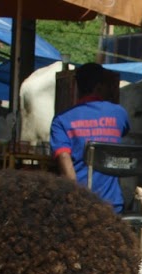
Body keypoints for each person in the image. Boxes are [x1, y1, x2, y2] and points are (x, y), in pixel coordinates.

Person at [50, 63, 131, 214]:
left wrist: (78, 196)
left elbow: (63, 155)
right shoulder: (119, 113)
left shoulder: (62, 120)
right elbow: (124, 130)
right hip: (113, 205)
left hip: (80, 204)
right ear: (100, 87)